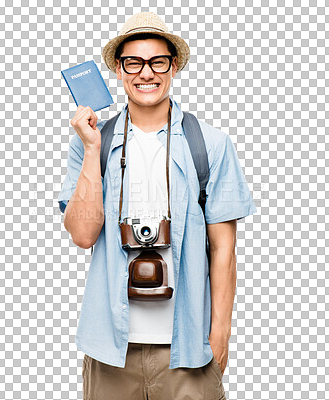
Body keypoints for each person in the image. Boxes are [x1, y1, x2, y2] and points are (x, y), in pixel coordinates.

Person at [58, 11, 256, 400]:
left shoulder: (210, 144)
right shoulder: (90, 144)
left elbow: (224, 250)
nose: (145, 73)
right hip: (109, 348)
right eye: (133, 62)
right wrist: (92, 148)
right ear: (118, 69)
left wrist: (219, 334)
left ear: (174, 65)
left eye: (157, 61)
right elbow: (82, 235)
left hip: (189, 348)